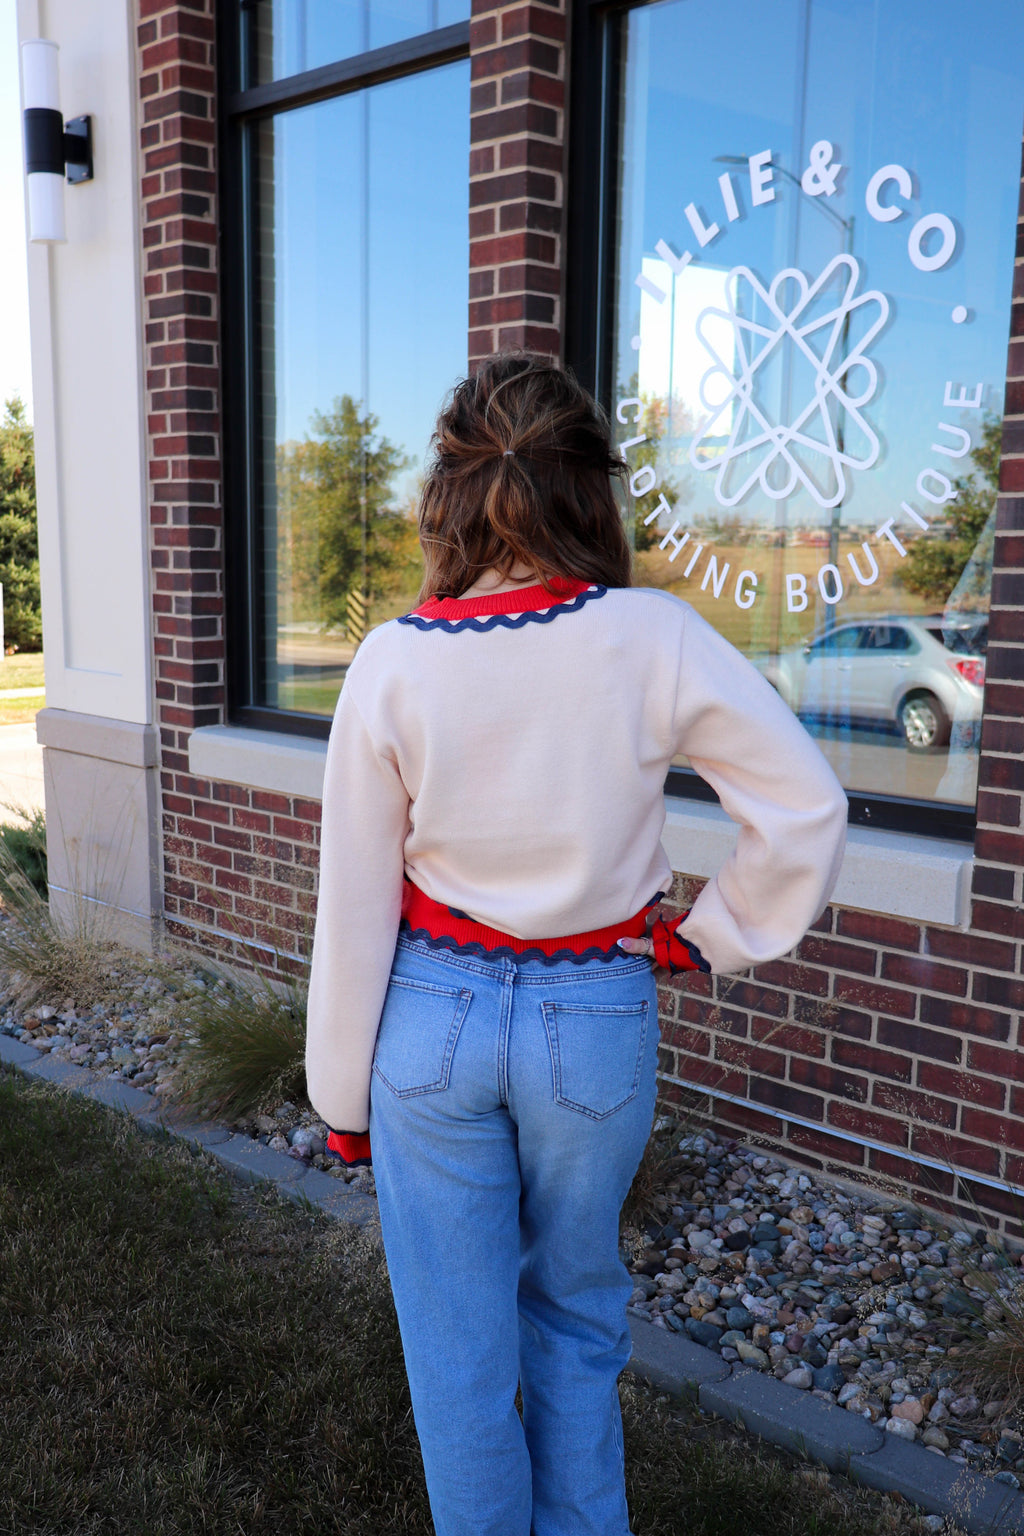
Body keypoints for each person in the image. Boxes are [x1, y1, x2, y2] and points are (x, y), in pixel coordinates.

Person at [305, 353, 848, 1536]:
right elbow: (804, 803)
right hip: (593, 1017)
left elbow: (353, 899)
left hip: (430, 1022)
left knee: (456, 1348)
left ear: (446, 497)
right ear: (592, 492)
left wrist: (340, 1097)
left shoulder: (395, 658)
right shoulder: (650, 635)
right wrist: (714, 936)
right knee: (577, 1312)